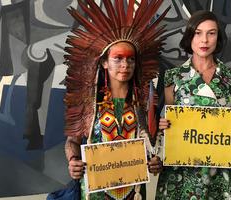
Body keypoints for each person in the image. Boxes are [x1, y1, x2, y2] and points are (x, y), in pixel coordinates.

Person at [63, 0, 169, 199]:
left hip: (135, 192)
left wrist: (156, 162)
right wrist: (73, 160)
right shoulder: (88, 102)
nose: (125, 65)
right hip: (96, 191)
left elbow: (152, 148)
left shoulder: (144, 103)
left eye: (130, 59)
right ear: (104, 62)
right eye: (118, 58)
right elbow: (72, 141)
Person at [156, 10, 231, 200]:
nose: (204, 40)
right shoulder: (173, 77)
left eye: (211, 33)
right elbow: (165, 129)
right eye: (198, 33)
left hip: (217, 173)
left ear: (218, 38)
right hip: (180, 173)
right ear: (189, 37)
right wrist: (162, 126)